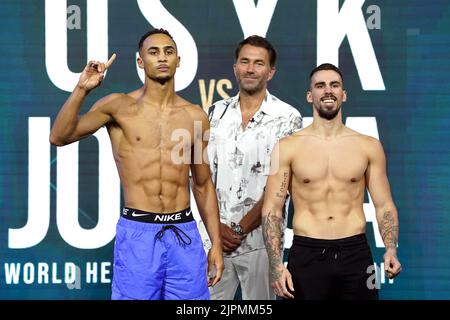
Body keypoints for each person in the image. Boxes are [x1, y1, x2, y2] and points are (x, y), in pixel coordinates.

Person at [49, 28, 223, 300]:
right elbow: (59, 136)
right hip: (139, 234)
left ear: (179, 60)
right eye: (153, 52)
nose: (162, 57)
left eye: (168, 51)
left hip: (185, 234)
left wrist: (216, 244)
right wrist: (82, 88)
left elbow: (202, 184)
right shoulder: (119, 106)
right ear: (140, 61)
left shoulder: (195, 116)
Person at [262, 63, 402, 300]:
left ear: (343, 94)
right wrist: (276, 264)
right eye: (320, 85)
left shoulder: (368, 146)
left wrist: (391, 249)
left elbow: (384, 205)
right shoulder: (286, 148)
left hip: (356, 254)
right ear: (310, 95)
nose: (328, 90)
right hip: (306, 253)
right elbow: (272, 209)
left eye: (334, 85)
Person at [200, 35, 302, 300]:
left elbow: (282, 184)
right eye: (244, 61)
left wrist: (239, 228)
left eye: (258, 63)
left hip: (262, 243)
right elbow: (201, 178)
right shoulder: (213, 113)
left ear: (271, 72)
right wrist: (218, 228)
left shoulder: (288, 117)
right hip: (213, 241)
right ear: (235, 67)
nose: (250, 68)